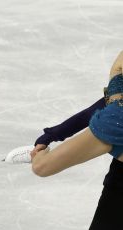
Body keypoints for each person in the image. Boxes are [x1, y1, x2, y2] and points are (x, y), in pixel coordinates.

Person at [30, 51, 123, 229]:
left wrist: (39, 157)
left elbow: (43, 167)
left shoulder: (116, 120)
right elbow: (110, 102)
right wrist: (55, 133)